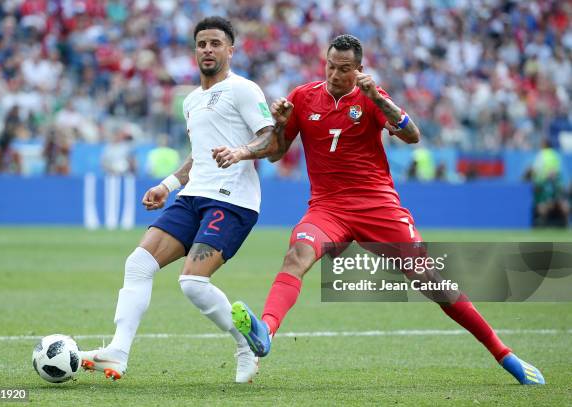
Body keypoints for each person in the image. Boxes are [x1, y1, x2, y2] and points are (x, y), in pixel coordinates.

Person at [220, 35, 545, 385]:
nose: (334, 74)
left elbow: (413, 135)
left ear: (359, 69)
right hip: (327, 208)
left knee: (428, 279)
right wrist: (281, 123)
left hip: (376, 205)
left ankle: (503, 353)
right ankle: (265, 332)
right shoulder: (302, 97)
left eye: (344, 69)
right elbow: (275, 154)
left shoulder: (372, 97)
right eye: (331, 66)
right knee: (295, 257)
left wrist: (378, 98)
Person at [79, 16, 286, 383]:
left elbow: (270, 140)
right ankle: (118, 351)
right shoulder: (191, 100)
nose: (208, 49)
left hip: (232, 200)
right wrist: (168, 184)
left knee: (192, 282)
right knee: (138, 263)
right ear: (195, 51)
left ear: (230, 50)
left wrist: (239, 152)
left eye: (215, 43)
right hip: (192, 196)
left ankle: (245, 345)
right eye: (202, 44)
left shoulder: (243, 89)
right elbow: (200, 155)